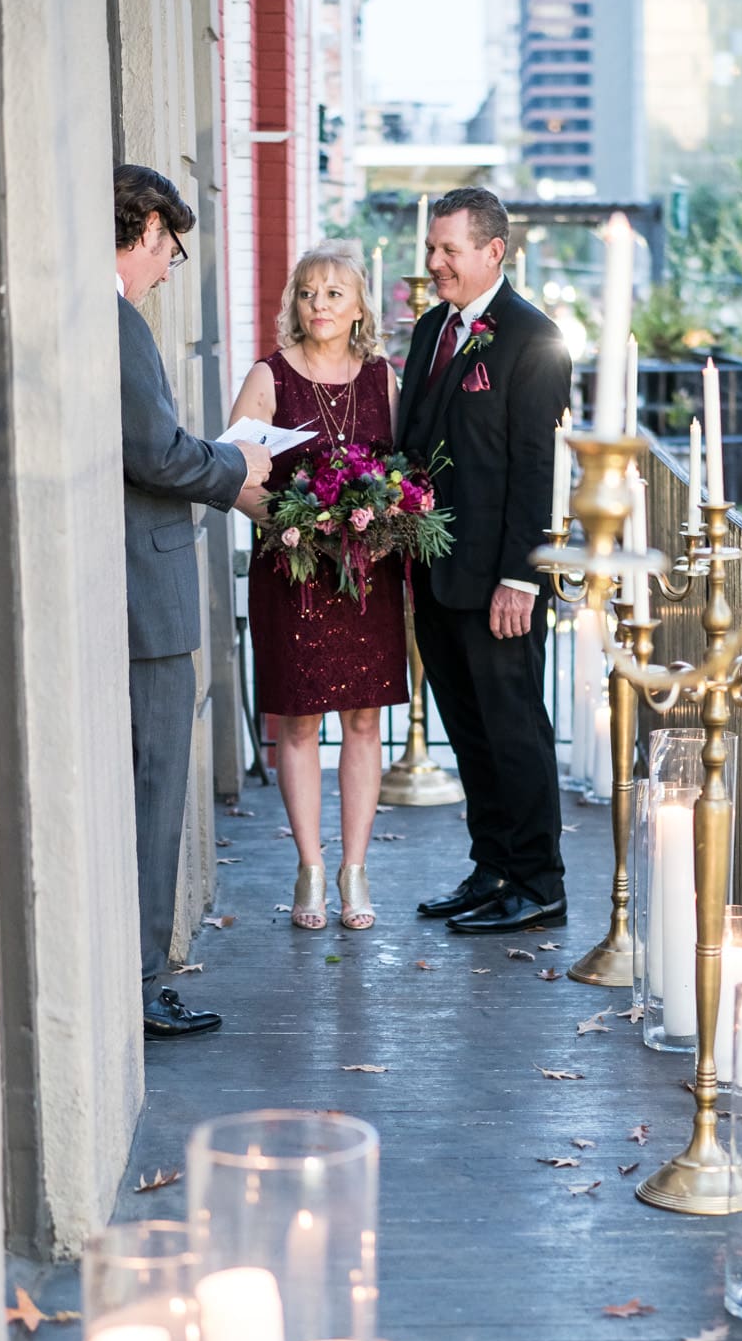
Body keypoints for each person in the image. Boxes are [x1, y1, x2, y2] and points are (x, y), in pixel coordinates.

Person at [116, 164, 271, 1036]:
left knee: (154, 791)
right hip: (149, 599)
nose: (170, 266)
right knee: (154, 792)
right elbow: (158, 453)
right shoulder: (116, 320)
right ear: (142, 228)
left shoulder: (111, 318)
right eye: (169, 246)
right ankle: (141, 985)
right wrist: (235, 469)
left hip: (145, 589)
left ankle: (142, 975)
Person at [396, 187, 571, 933]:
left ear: (492, 252)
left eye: (447, 251)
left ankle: (540, 883)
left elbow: (538, 467)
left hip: (499, 578)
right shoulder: (434, 325)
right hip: (435, 570)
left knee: (513, 728)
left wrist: (520, 578)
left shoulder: (534, 337)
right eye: (431, 249)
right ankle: (492, 867)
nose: (432, 264)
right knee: (466, 728)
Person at [227, 243, 405, 931]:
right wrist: (291, 523)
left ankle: (354, 872)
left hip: (367, 576)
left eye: (334, 292)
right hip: (293, 574)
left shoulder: (382, 378)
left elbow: (402, 475)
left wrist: (385, 522)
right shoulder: (269, 377)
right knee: (297, 724)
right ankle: (308, 869)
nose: (320, 305)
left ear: (358, 304)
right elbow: (234, 475)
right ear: (293, 304)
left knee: (364, 721)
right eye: (307, 292)